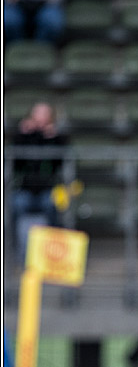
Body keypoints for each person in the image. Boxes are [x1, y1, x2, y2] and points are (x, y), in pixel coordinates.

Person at [12, 101, 67, 262]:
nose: (41, 117)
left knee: (52, 206)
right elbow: (16, 163)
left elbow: (61, 163)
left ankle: (52, 253)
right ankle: (17, 250)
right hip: (26, 188)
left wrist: (54, 138)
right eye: (38, 113)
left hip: (48, 188)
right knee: (17, 205)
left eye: (45, 114)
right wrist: (23, 135)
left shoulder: (57, 137)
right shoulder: (24, 136)